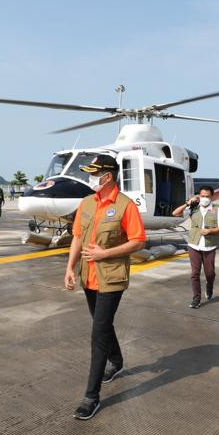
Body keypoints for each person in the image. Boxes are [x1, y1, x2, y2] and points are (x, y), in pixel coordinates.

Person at [64, 154, 146, 420]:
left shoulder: (125, 206)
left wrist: (104, 254)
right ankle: (118, 361)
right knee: (102, 324)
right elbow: (77, 236)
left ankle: (91, 397)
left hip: (111, 278)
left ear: (107, 176)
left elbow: (138, 241)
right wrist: (69, 268)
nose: (90, 178)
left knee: (98, 333)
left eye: (94, 173)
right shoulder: (87, 203)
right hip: (88, 276)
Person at [172, 186, 219, 308]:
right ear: (199, 196)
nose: (205, 198)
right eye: (202, 196)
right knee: (194, 273)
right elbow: (175, 213)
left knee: (210, 273)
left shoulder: (217, 210)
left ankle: (209, 285)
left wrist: (210, 231)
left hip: (209, 246)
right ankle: (196, 298)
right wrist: (188, 203)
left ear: (212, 197)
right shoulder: (193, 208)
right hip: (194, 245)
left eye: (207, 196)